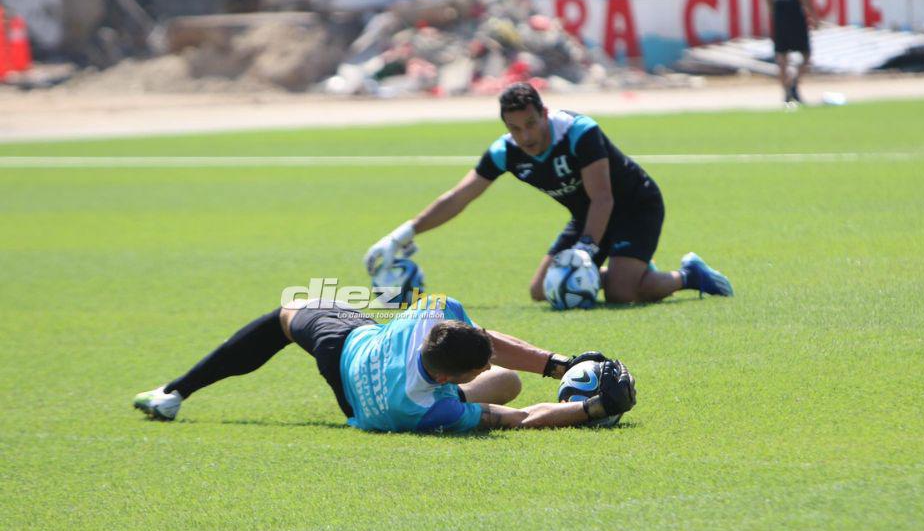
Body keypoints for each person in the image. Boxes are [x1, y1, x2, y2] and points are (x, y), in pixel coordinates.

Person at [363, 83, 733, 305]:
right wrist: (404, 232)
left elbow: (604, 196)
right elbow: (459, 198)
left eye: (530, 124)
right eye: (515, 128)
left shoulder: (579, 132)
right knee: (542, 291)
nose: (525, 136)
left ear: (543, 112)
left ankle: (689, 275)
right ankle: (631, 266)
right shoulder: (504, 151)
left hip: (635, 205)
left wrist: (586, 251)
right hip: (587, 214)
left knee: (621, 293)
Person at [133, 295, 636, 432]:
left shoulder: (430, 315)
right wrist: (593, 409)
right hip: (369, 400)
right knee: (505, 387)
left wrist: (557, 365)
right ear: (446, 380)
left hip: (346, 346)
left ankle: (174, 393)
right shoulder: (426, 410)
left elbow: (478, 343)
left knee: (282, 317)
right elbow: (518, 419)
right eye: (468, 373)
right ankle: (552, 377)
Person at [763, 0, 818, 104]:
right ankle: (793, 84)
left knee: (781, 56)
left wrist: (773, 14)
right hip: (795, 15)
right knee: (806, 54)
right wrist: (812, 15)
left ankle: (786, 92)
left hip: (779, 16)